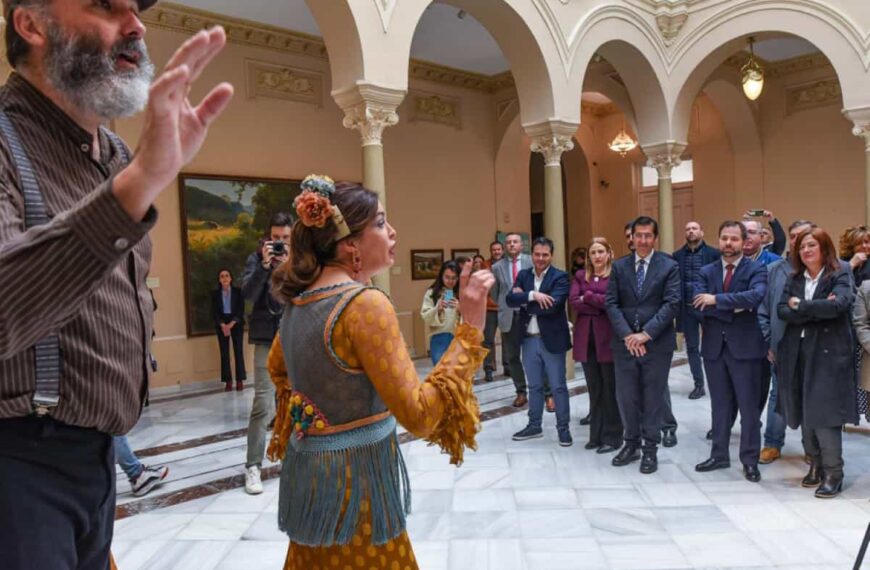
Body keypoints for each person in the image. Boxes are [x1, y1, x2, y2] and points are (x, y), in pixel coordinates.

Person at [0, 0, 233, 566]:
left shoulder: (117, 156)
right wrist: (136, 187)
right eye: (106, 6)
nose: (135, 26)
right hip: (18, 465)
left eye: (136, 8)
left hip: (96, 461)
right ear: (30, 24)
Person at [266, 176, 492, 569]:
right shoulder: (364, 305)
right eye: (380, 223)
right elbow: (420, 416)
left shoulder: (297, 303)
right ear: (349, 242)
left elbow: (278, 370)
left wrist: (315, 422)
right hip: (357, 491)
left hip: (311, 482)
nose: (392, 231)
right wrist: (469, 330)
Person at [777, 227, 856, 498]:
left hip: (827, 354)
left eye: (811, 245)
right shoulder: (794, 277)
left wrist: (802, 306)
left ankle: (834, 472)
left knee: (825, 415)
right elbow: (782, 310)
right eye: (801, 247)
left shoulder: (841, 272)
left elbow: (839, 306)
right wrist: (815, 308)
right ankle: (815, 464)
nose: (806, 250)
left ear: (824, 247)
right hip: (796, 351)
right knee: (803, 412)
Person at [691, 221, 767, 483]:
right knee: (720, 406)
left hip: (746, 349)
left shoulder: (756, 268)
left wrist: (716, 300)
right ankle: (719, 454)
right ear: (718, 239)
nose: (728, 243)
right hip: (714, 348)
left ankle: (750, 461)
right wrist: (734, 307)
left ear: (744, 241)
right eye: (724, 238)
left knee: (749, 410)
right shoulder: (706, 270)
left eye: (734, 238)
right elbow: (697, 304)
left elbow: (756, 297)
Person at [605, 216, 681, 474]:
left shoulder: (669, 266)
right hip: (624, 344)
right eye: (639, 235)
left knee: (652, 398)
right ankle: (631, 443)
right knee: (627, 397)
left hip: (656, 345)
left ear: (655, 238)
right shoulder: (619, 267)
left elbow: (671, 304)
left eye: (648, 235)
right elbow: (611, 304)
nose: (643, 240)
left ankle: (650, 449)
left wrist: (645, 334)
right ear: (632, 237)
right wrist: (628, 335)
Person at [240, 212, 291, 494]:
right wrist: (263, 265)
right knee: (263, 403)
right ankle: (253, 466)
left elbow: (307, 292)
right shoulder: (256, 258)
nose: (280, 243)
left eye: (285, 238)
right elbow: (247, 294)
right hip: (264, 338)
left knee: (296, 399)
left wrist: (289, 267)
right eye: (275, 238)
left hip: (294, 336)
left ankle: (294, 459)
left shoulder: (300, 260)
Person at [757, 219, 815, 464]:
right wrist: (770, 342)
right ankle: (772, 443)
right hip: (781, 346)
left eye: (804, 236)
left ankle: (812, 448)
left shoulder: (823, 271)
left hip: (813, 347)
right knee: (778, 394)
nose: (797, 240)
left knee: (811, 396)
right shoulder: (774, 270)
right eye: (793, 236)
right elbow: (763, 311)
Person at [507, 237, 573, 446]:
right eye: (537, 254)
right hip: (528, 340)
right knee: (534, 386)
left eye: (545, 255)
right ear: (532, 254)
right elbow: (510, 300)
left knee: (558, 386)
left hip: (552, 340)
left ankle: (563, 429)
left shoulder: (560, 277)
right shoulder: (524, 276)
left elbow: (553, 306)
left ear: (551, 255)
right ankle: (534, 425)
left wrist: (525, 300)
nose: (541, 258)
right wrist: (534, 295)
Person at [569, 237, 622, 453]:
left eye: (601, 251)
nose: (597, 256)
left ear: (609, 253)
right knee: (594, 389)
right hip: (587, 338)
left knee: (610, 388)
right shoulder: (581, 275)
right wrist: (595, 302)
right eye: (593, 252)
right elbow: (574, 302)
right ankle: (596, 435)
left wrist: (588, 296)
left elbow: (612, 303)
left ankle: (613, 437)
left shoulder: (616, 276)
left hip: (608, 338)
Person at [673, 221, 720, 400]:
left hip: (709, 308)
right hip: (687, 308)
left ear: (702, 232)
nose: (691, 231)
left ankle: (717, 382)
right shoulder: (676, 256)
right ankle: (698, 384)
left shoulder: (714, 254)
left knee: (713, 346)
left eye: (694, 228)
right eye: (687, 229)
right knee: (692, 348)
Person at [493, 232, 533, 407]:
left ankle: (546, 393)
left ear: (521, 245)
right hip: (508, 316)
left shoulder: (531, 262)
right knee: (513, 357)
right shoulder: (496, 267)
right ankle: (521, 392)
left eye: (515, 242)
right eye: (508, 242)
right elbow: (495, 294)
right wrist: (505, 305)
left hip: (530, 314)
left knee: (536, 355)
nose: (511, 245)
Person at [420, 260, 461, 365]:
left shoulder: (463, 293)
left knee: (457, 374)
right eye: (447, 277)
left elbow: (473, 317)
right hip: (439, 337)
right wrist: (437, 309)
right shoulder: (432, 293)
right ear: (441, 276)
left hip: (459, 338)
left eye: (454, 278)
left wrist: (461, 309)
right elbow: (425, 315)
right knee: (440, 373)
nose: (450, 281)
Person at [213, 268, 246, 391]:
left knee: (238, 351)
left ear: (231, 278)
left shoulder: (238, 292)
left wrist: (231, 324)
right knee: (224, 353)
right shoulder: (215, 294)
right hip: (222, 324)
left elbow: (241, 310)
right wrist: (223, 325)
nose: (225, 278)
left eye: (227, 276)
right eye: (222, 276)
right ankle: (228, 381)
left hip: (236, 323)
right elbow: (215, 312)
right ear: (219, 280)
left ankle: (239, 380)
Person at [484, 240, 507, 381]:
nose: (497, 252)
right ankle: (488, 368)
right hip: (489, 307)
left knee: (507, 338)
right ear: (491, 251)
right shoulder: (485, 265)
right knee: (488, 340)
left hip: (505, 307)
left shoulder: (508, 265)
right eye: (494, 250)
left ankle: (508, 366)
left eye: (499, 249)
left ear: (502, 250)